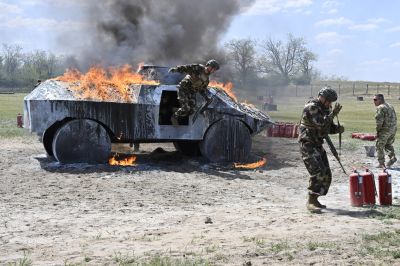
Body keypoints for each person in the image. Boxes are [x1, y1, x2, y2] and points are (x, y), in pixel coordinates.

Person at [298, 87, 344, 213]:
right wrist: (332, 114)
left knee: (326, 173)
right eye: (328, 101)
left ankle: (315, 198)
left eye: (331, 102)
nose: (329, 104)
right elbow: (320, 123)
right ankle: (311, 201)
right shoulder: (311, 107)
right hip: (307, 143)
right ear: (321, 97)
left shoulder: (327, 109)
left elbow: (326, 128)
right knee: (317, 171)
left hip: (317, 143)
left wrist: (337, 129)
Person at [373, 94, 397, 168]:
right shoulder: (389, 106)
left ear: (380, 100)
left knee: (379, 146)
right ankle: (392, 158)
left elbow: (379, 121)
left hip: (385, 130)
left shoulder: (380, 107)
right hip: (393, 129)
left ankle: (381, 163)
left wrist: (378, 131)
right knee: (388, 144)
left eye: (375, 100)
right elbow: (395, 118)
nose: (374, 101)